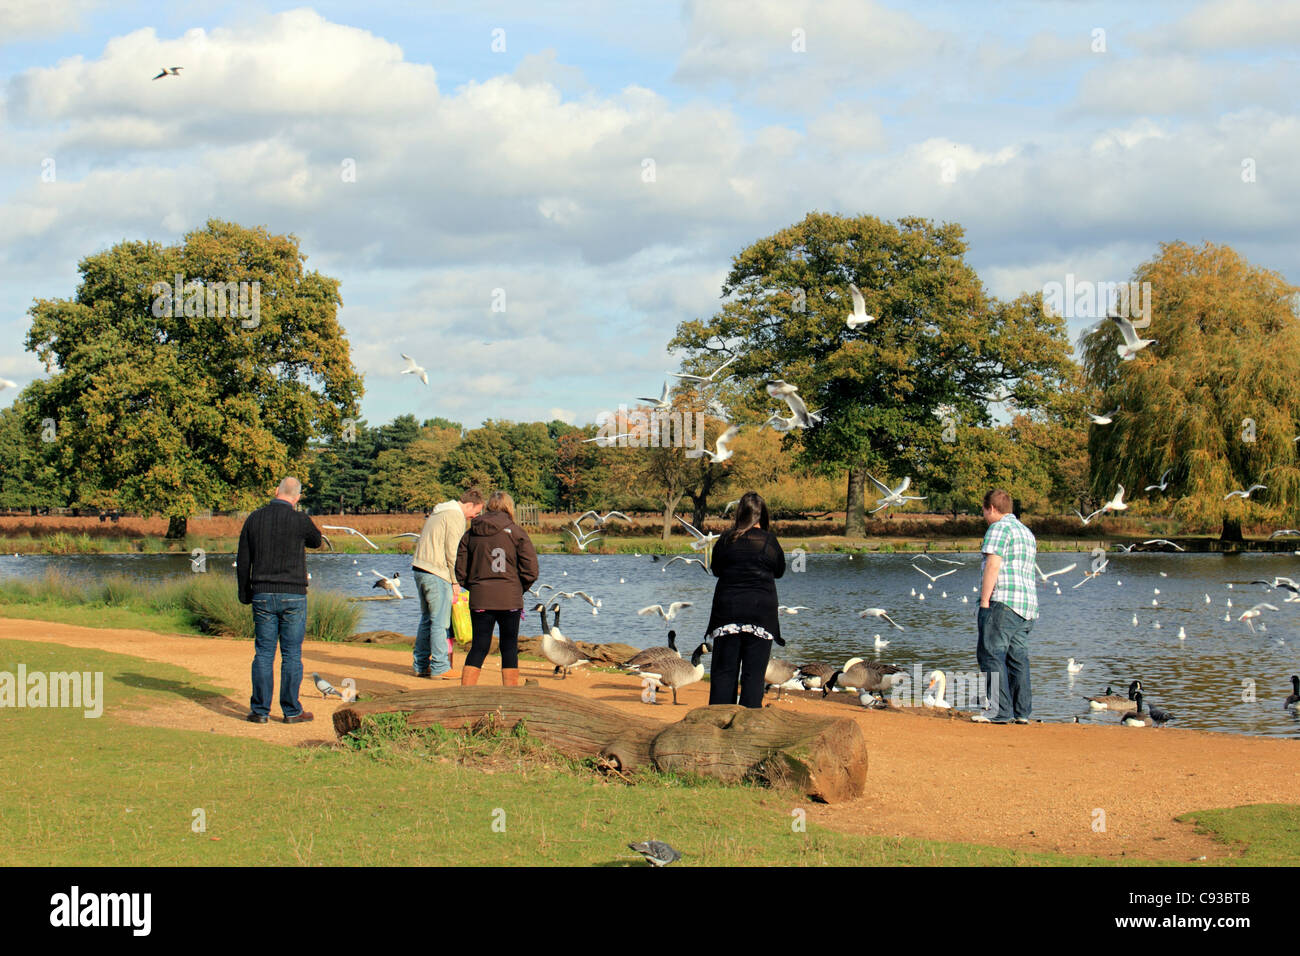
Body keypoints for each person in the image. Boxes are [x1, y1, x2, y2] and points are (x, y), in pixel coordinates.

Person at [236, 477, 324, 724]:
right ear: (297, 497)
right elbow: (316, 541)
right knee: (292, 653)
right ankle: (291, 710)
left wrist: (244, 592)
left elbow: (244, 558)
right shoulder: (299, 520)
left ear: (276, 491)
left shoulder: (254, 518)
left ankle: (260, 711)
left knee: (264, 653)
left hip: (262, 593)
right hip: (294, 593)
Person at [704, 491, 786, 708]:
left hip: (727, 613)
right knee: (753, 676)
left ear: (740, 513)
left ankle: (718, 722)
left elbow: (716, 570)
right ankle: (748, 726)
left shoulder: (726, 539)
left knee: (724, 673)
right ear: (763, 515)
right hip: (761, 615)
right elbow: (779, 571)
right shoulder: (769, 541)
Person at [454, 490, 538, 686]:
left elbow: (460, 571)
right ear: (509, 507)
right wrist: (518, 588)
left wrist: (475, 586)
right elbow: (531, 570)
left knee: (479, 646)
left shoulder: (470, 534)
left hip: (480, 598)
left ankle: (466, 693)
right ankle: (510, 695)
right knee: (509, 646)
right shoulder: (517, 532)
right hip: (510, 598)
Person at [973, 489, 1038, 724]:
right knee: (1018, 657)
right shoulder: (1026, 531)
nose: (984, 516)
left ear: (990, 508)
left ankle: (999, 711)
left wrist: (984, 602)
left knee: (991, 653)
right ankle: (1022, 713)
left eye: (983, 511)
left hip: (1003, 602)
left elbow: (993, 565)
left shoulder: (998, 528)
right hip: (1027, 606)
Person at [411, 488, 484, 679]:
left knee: (427, 618)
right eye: (475, 512)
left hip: (420, 568)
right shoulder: (455, 516)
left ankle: (420, 664)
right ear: (469, 505)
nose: (474, 517)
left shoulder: (439, 512)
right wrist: (455, 581)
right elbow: (453, 551)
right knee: (440, 621)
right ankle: (440, 666)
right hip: (437, 572)